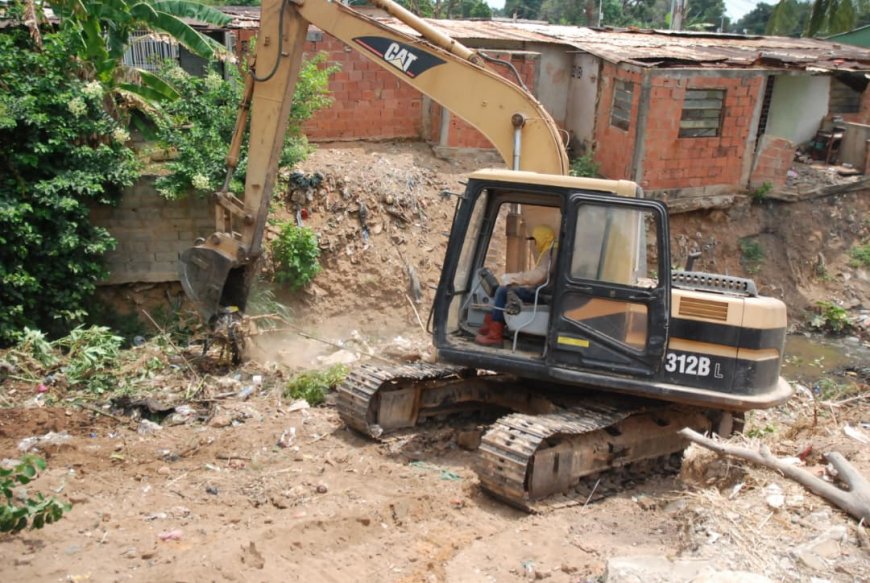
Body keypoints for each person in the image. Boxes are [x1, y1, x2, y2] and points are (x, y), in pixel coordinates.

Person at [475, 225, 556, 346]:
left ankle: (495, 334)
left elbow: (539, 275)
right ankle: (491, 325)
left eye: (536, 240)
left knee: (503, 291)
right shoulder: (550, 251)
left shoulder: (551, 253)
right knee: (505, 290)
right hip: (544, 292)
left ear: (543, 238)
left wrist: (514, 278)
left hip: (544, 295)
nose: (534, 243)